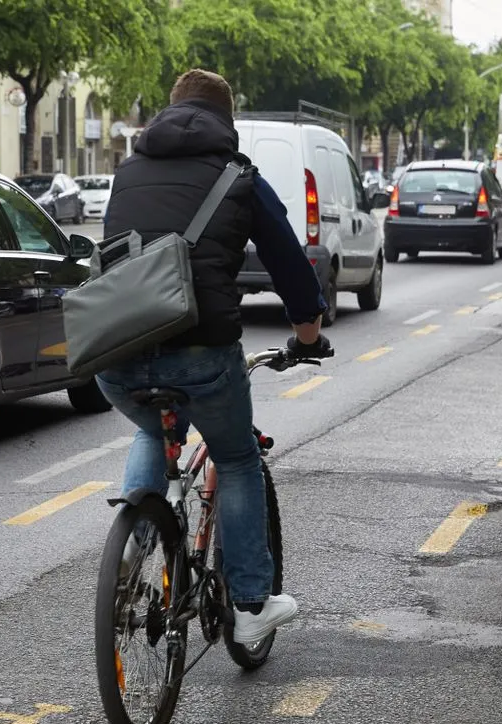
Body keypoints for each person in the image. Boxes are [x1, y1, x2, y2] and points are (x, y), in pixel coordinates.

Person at [95, 69, 331, 644]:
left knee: (154, 431)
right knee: (238, 455)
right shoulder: (238, 176)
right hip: (201, 351)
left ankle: (133, 549)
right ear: (227, 120)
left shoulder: (128, 171)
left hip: (116, 351)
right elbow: (288, 262)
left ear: (165, 113)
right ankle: (251, 605)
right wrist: (306, 334)